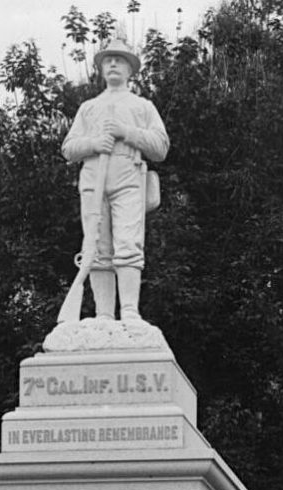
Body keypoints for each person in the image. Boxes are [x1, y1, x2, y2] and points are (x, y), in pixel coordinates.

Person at [61, 37, 169, 321]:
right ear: (101, 68)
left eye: (119, 60)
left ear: (130, 69)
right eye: (108, 60)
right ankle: (104, 315)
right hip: (92, 182)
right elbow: (69, 148)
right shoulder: (89, 108)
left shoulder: (142, 106)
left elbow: (160, 147)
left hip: (128, 178)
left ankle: (130, 310)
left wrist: (127, 132)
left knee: (128, 244)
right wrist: (94, 143)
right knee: (96, 249)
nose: (112, 64)